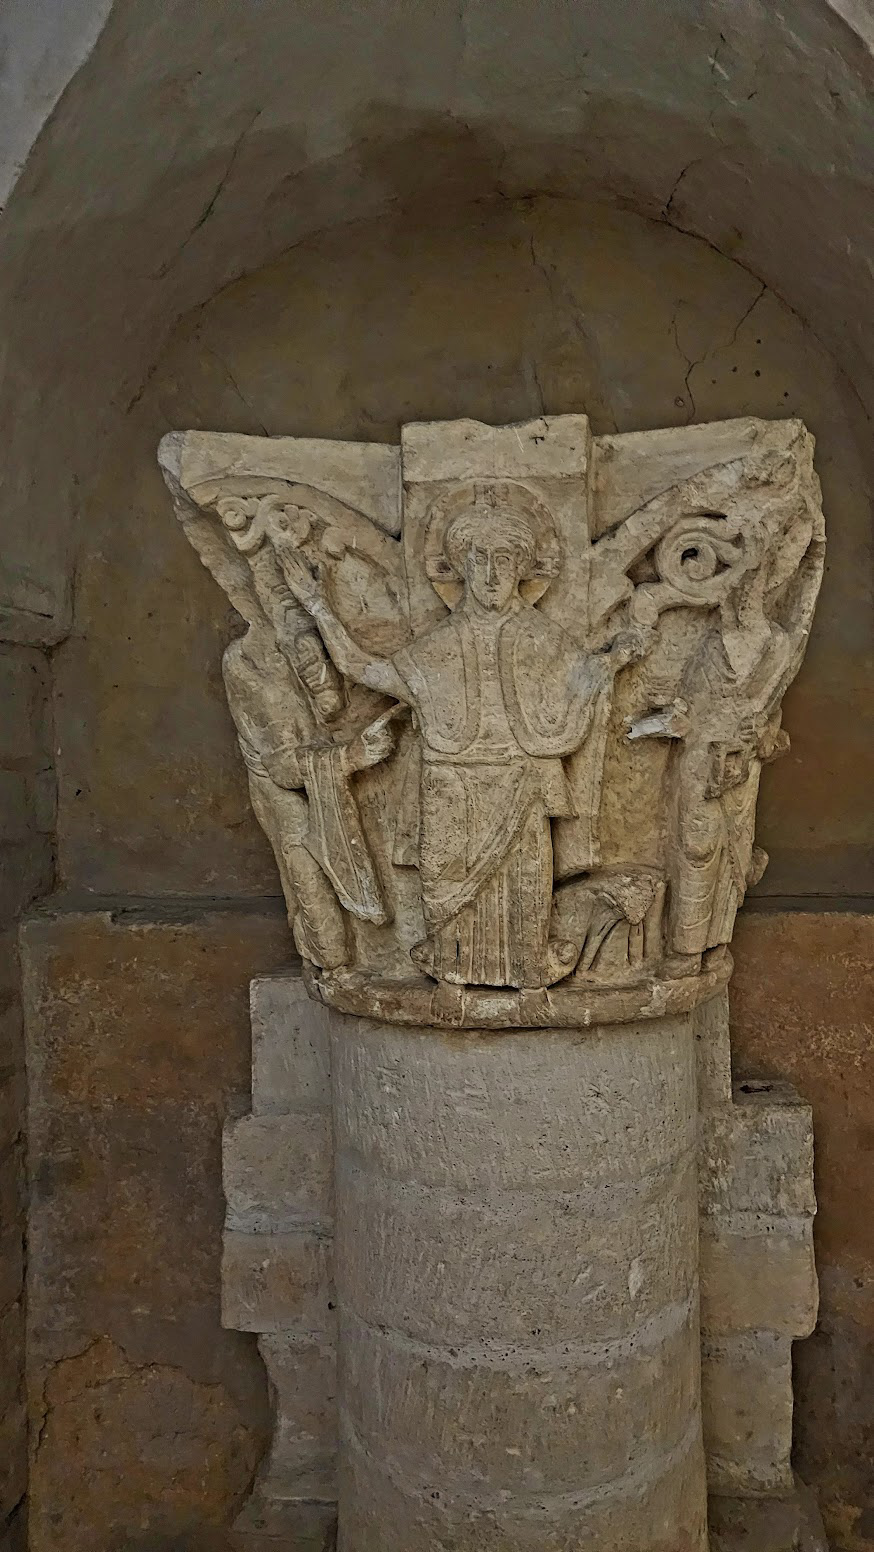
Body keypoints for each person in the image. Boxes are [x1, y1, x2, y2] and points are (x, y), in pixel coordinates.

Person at [281, 495, 644, 989]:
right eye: (479, 559)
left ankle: (527, 971)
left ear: (522, 568)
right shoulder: (438, 644)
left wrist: (614, 659)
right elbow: (362, 667)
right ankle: (450, 974)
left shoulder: (543, 637)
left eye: (504, 560)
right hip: (451, 789)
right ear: (459, 567)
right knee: (445, 884)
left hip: (519, 787)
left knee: (524, 891)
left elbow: (582, 681)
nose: (491, 574)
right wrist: (318, 605)